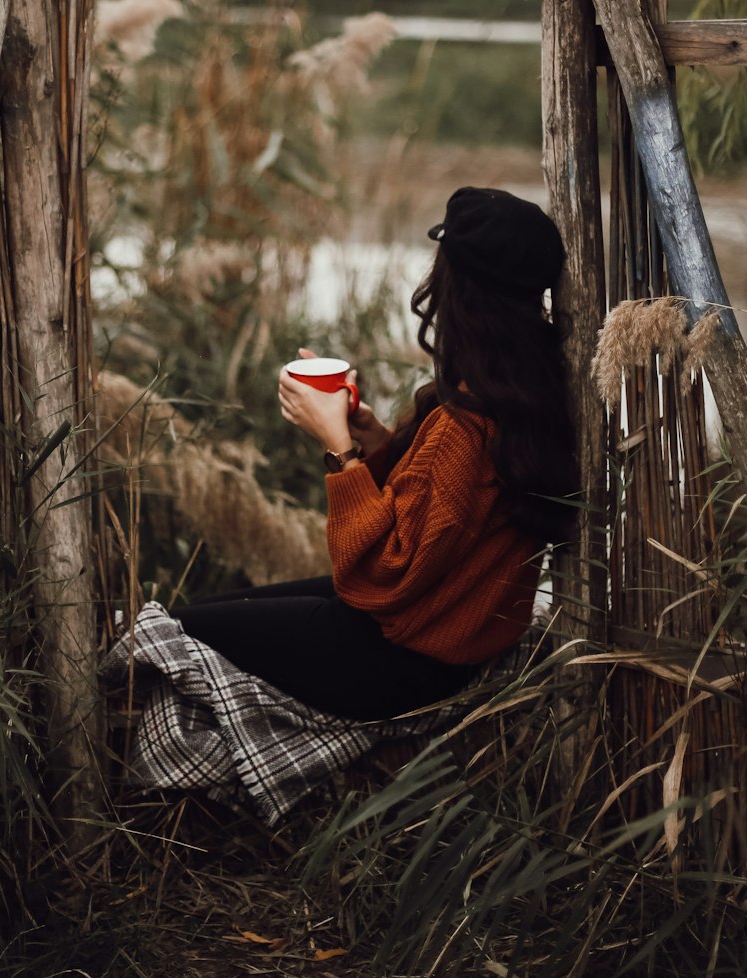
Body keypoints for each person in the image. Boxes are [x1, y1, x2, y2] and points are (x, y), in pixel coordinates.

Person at [175, 187, 578, 722]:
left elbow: (377, 575)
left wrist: (339, 452)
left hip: (396, 663)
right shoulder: (523, 397)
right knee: (197, 616)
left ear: (459, 295)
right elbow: (444, 519)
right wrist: (377, 443)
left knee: (171, 632)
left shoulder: (467, 427)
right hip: (439, 639)